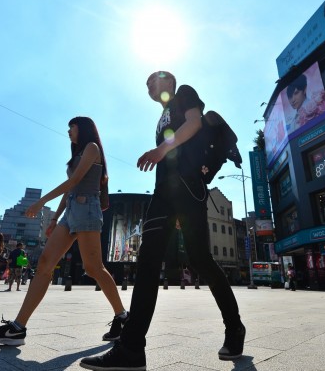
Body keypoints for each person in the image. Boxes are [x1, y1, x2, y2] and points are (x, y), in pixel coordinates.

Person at [80, 71, 245, 370]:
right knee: (148, 259)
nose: (148, 87)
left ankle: (234, 328)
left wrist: (161, 149)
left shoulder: (185, 93)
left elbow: (195, 123)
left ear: (169, 81)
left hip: (189, 188)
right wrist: (162, 152)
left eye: (153, 80)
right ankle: (131, 349)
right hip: (162, 194)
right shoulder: (162, 118)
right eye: (145, 85)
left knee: (201, 260)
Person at [0, 116, 127, 346]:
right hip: (71, 211)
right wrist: (55, 218)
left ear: (83, 127)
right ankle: (18, 328)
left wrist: (41, 202)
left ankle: (122, 317)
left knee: (93, 268)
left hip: (88, 209)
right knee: (45, 264)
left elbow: (76, 180)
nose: (69, 132)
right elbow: (71, 189)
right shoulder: (76, 155)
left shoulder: (92, 147)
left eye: (72, 127)